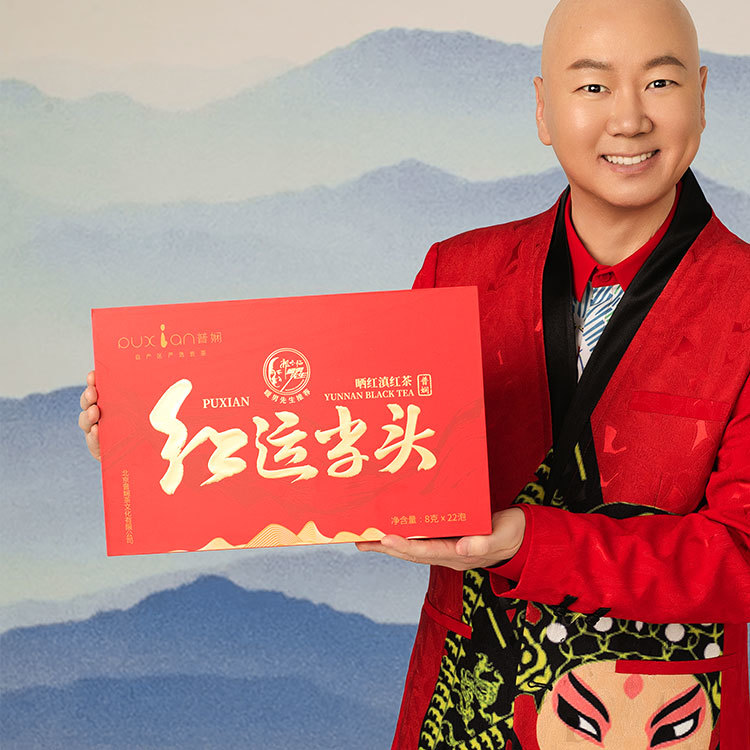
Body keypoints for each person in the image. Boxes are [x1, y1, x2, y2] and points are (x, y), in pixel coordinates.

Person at [80, 0, 750, 746]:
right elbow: (350, 454)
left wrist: (524, 541)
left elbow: (742, 556)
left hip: (657, 710)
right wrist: (157, 447)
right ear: (542, 108)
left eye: (659, 83)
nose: (628, 118)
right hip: (462, 701)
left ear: (701, 95)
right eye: (593, 86)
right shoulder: (458, 271)